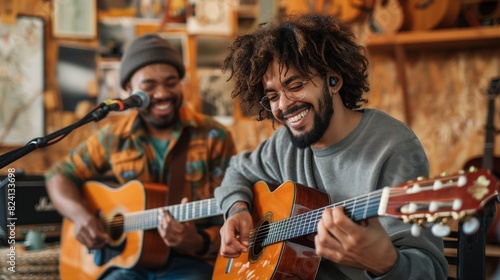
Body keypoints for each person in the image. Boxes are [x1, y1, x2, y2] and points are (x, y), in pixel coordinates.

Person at [214, 13, 448, 279]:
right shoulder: (284, 144)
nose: (284, 105)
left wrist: (385, 263)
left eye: (296, 85)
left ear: (333, 81)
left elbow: (431, 272)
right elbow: (236, 171)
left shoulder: (393, 148)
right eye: (273, 96)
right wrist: (237, 210)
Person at [45, 33, 236, 280]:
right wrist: (80, 216)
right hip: (122, 264)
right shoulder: (111, 138)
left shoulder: (214, 136)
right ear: (128, 89)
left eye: (171, 82)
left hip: (189, 263)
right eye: (149, 86)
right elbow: (58, 175)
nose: (162, 94)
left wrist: (197, 241)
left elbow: (235, 209)